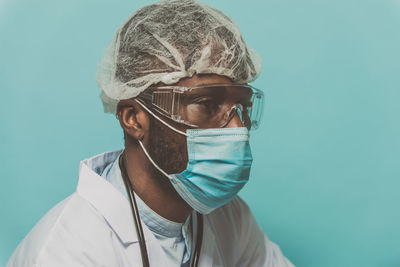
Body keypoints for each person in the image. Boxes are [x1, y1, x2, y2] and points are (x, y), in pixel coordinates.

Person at [7, 0, 294, 266]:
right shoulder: (66, 254)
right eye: (206, 104)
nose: (237, 127)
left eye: (241, 106)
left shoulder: (229, 218)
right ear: (134, 118)